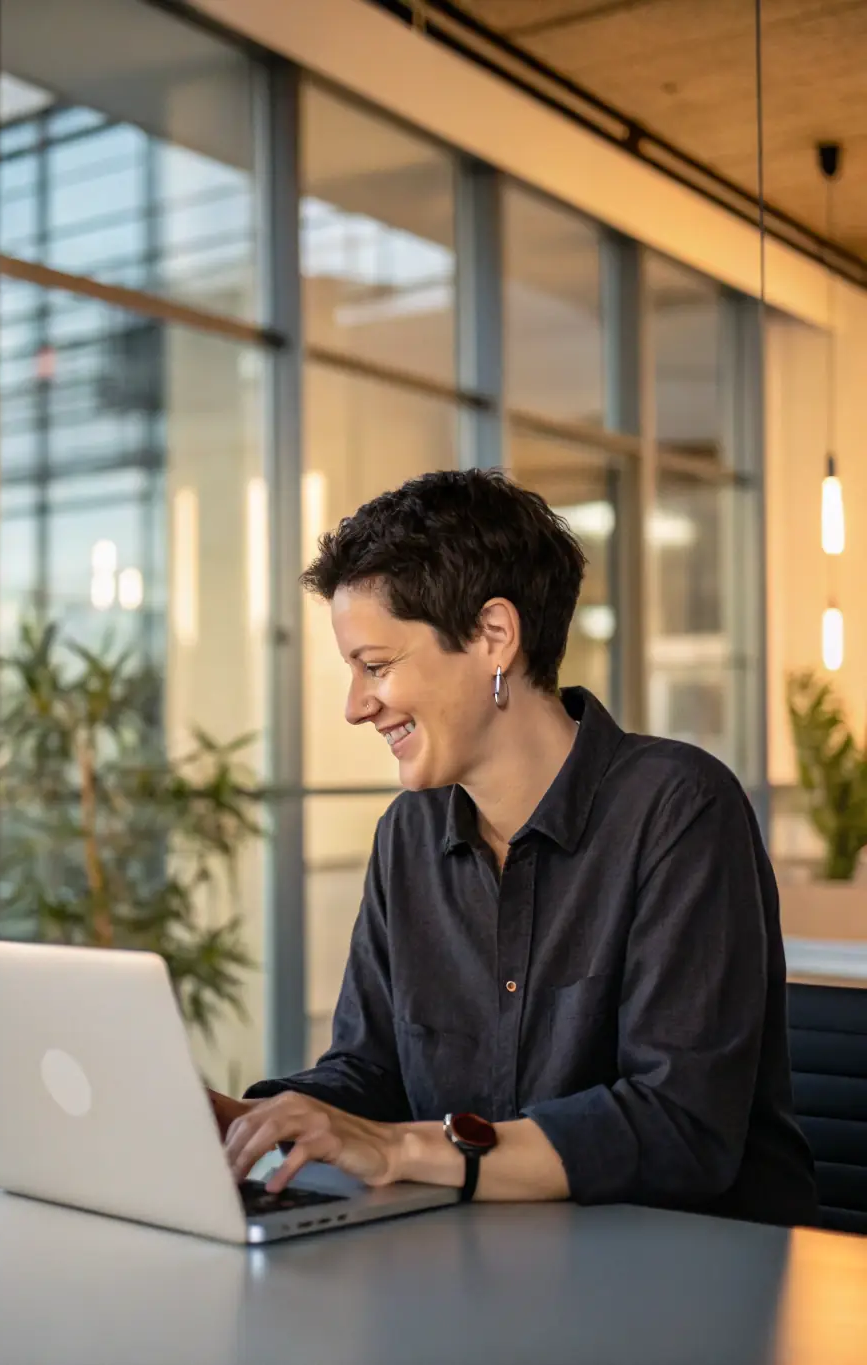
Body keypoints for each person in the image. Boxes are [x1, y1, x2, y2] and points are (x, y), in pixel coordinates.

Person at [209, 469, 818, 1227]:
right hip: (490, 1269)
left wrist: (402, 1151)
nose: (356, 705)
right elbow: (371, 1071)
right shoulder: (409, 835)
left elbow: (680, 1127)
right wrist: (242, 1119)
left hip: (688, 1279)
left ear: (494, 636)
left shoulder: (679, 809)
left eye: (377, 664)